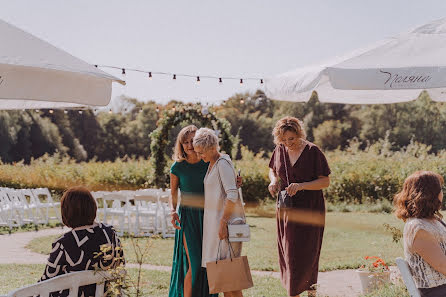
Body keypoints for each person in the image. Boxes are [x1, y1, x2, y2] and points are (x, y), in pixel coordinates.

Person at [268, 116, 330, 297]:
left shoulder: (313, 151)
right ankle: (293, 292)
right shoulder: (279, 150)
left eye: (292, 139)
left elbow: (325, 181)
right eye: (284, 140)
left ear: (299, 133)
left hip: (310, 208)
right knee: (289, 250)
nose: (288, 143)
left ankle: (311, 292)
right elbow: (272, 169)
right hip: (286, 209)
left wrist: (301, 185)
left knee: (309, 250)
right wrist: (273, 181)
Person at [40, 186, 124, 297]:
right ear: (93, 207)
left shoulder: (64, 244)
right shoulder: (110, 233)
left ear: (66, 212)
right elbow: (120, 266)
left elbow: (46, 282)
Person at [193, 128, 244, 297]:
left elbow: (232, 194)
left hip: (225, 227)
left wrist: (223, 223)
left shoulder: (222, 163)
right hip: (216, 227)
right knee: (224, 280)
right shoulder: (213, 164)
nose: (200, 156)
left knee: (229, 280)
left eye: (202, 153)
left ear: (212, 148)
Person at [168, 125, 218, 297]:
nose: (189, 145)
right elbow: (173, 193)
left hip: (209, 217)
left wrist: (235, 182)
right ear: (180, 145)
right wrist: (172, 211)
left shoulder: (209, 162)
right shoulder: (177, 167)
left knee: (208, 263)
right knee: (195, 264)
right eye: (185, 142)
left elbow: (221, 184)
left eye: (192, 141)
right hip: (188, 218)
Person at [394, 171, 446, 297]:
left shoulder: (434, 220)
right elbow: (441, 265)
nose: (442, 193)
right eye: (440, 189)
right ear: (432, 194)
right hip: (437, 291)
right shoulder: (418, 228)